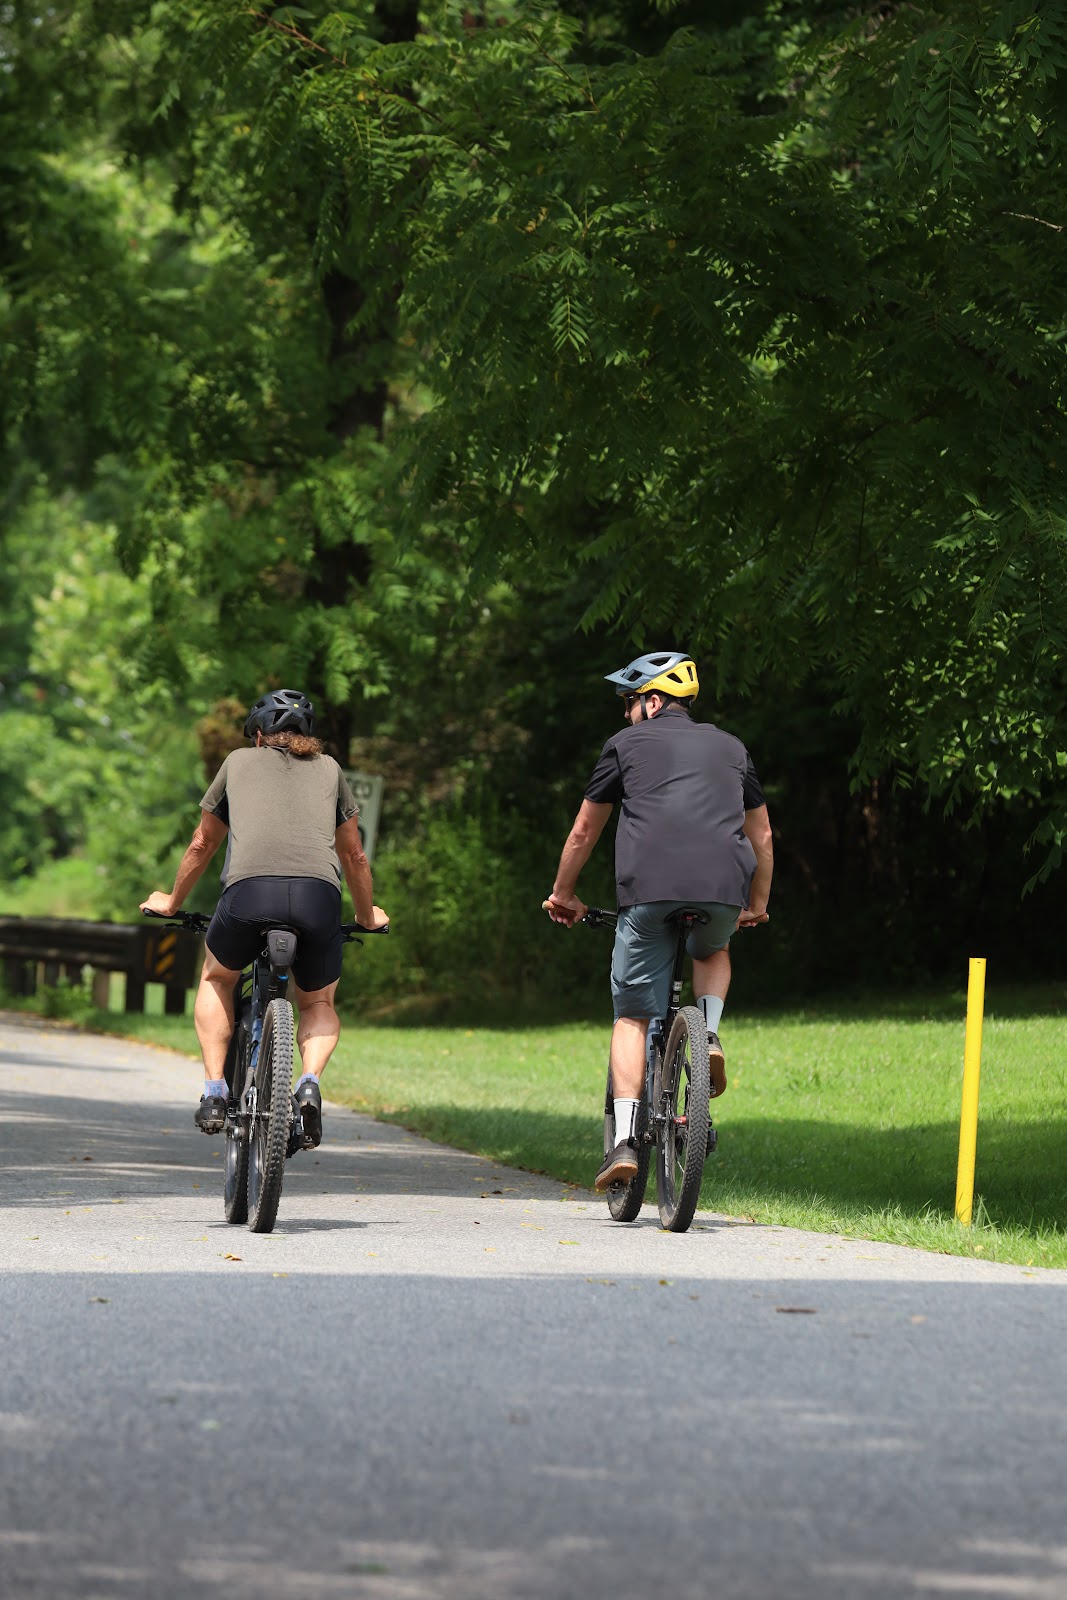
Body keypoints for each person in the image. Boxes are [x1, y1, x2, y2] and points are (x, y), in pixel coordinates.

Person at [545, 651, 772, 1192]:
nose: (626, 715)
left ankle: (623, 1141)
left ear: (652, 700)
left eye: (630, 703)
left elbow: (583, 832)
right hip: (723, 889)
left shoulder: (623, 747)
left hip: (647, 893)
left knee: (631, 1015)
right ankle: (709, 1035)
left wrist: (563, 893)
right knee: (712, 950)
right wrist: (757, 902)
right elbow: (761, 835)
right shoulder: (733, 747)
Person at [140, 689, 388, 1145]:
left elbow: (203, 842)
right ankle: (308, 1083)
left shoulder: (237, 762)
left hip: (248, 895)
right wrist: (367, 913)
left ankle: (215, 1091)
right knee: (317, 1002)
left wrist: (172, 902)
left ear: (259, 734)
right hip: (318, 898)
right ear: (305, 736)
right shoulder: (331, 769)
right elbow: (353, 852)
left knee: (217, 978)